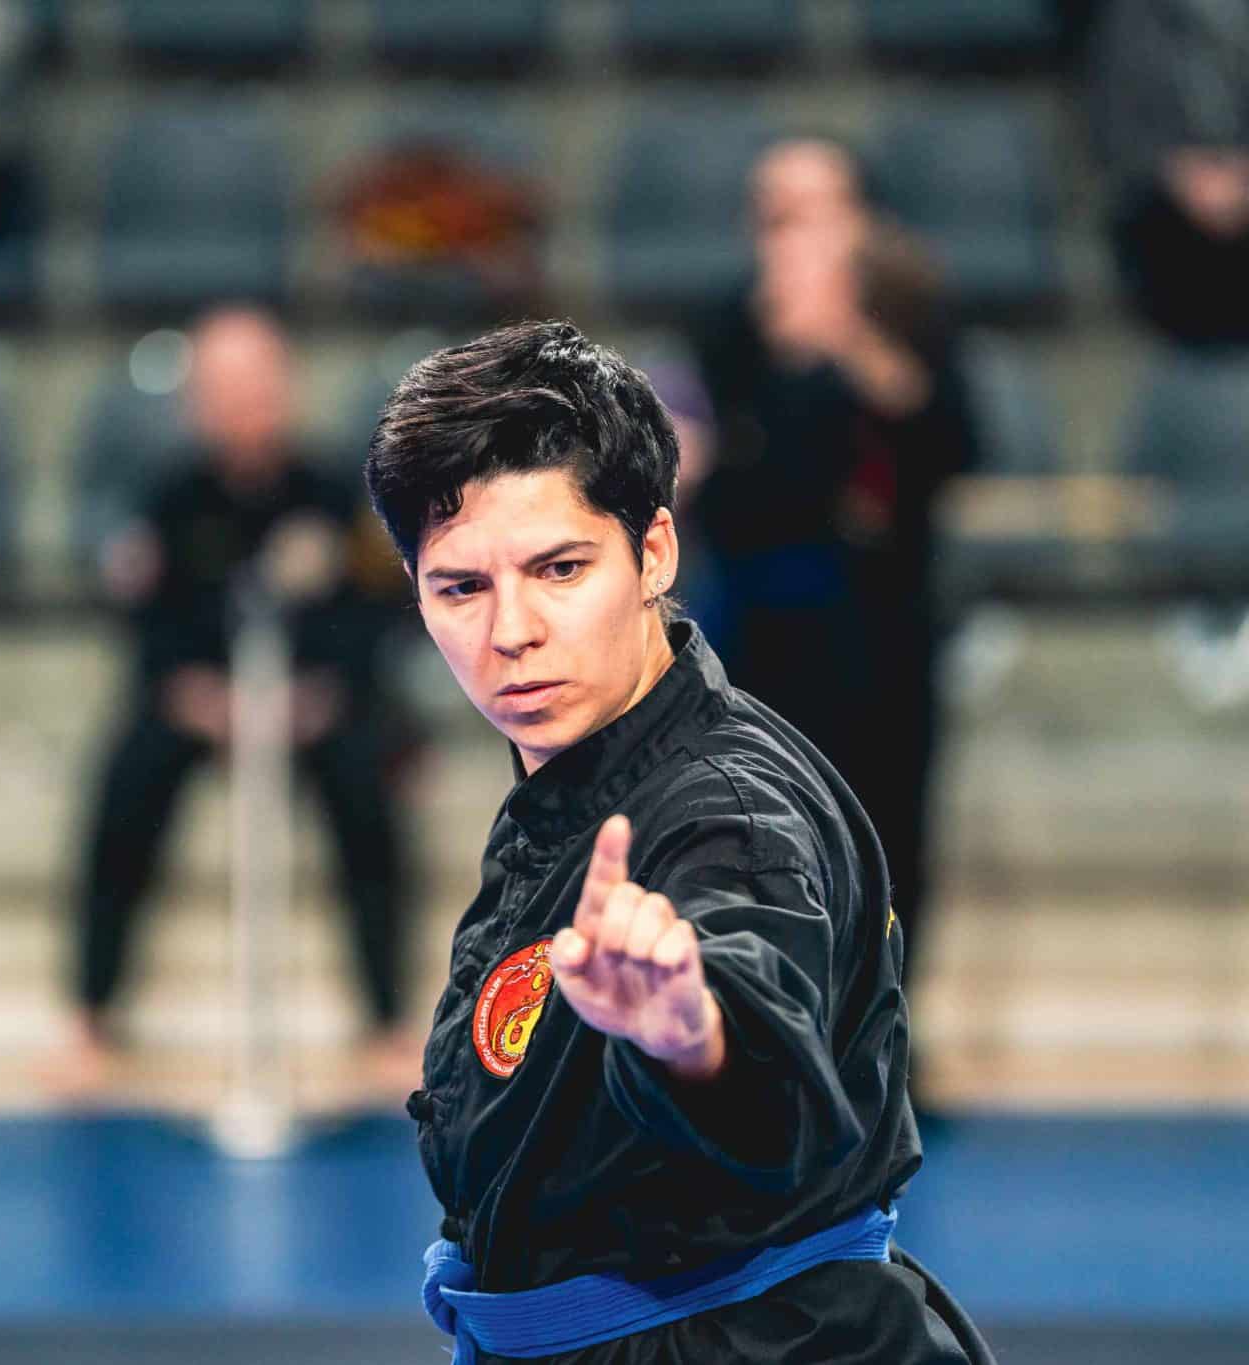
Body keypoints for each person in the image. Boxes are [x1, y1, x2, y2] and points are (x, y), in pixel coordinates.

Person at [366, 320, 991, 1364]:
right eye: (460, 587)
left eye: (560, 568)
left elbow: (755, 1020)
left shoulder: (727, 814)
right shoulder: (581, 780)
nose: (509, 631)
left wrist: (690, 1036)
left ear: (653, 551)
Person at [44, 307, 421, 1100]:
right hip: (201, 706)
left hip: (318, 704)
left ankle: (387, 1019)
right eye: (223, 388)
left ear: (286, 387)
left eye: (256, 383)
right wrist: (199, 697)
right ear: (197, 402)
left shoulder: (340, 494)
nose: (243, 404)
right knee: (126, 782)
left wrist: (319, 694)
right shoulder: (169, 499)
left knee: (368, 783)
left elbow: (379, 614)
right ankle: (91, 1014)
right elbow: (149, 624)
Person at [693, 138, 979, 993]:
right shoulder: (730, 328)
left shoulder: (909, 315)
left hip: (881, 625)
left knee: (887, 832)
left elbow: (954, 448)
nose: (793, 235)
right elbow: (721, 489)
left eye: (814, 213)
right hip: (759, 624)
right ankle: (770, 1018)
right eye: (775, 215)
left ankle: (882, 1023)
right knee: (758, 834)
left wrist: (853, 344)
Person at [1089, 0, 1249, 345]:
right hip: (1163, 184)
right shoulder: (1132, 12)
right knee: (1150, 220)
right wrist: (1179, 171)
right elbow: (1116, 115)